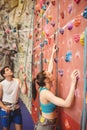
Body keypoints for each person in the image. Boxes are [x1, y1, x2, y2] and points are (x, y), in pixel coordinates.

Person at [32, 44, 79, 130]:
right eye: (49, 74)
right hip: (45, 126)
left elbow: (50, 68)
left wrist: (52, 53)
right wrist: (73, 82)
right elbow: (67, 104)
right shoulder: (45, 93)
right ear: (46, 80)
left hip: (47, 123)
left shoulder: (43, 86)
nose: (51, 73)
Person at [0, 66, 28, 130]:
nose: (10, 70)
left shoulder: (17, 81)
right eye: (7, 70)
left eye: (9, 68)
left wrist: (24, 81)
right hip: (6, 110)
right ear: (4, 75)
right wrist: (5, 107)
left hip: (16, 109)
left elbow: (24, 92)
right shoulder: (1, 84)